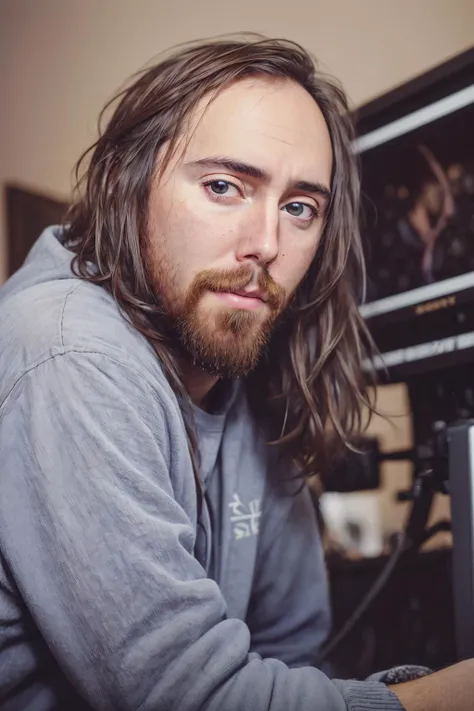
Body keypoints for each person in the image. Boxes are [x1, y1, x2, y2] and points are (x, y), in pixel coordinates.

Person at [0, 36, 473, 711]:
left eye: (299, 207)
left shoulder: (244, 368)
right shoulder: (67, 352)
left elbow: (292, 647)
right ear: (130, 188)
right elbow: (186, 697)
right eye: (224, 186)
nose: (268, 244)